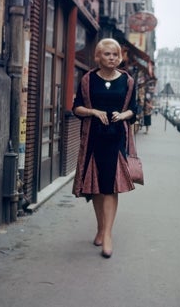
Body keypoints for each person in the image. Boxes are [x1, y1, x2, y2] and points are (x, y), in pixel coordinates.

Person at [72, 38, 137, 259]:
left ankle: (107, 235)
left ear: (119, 57)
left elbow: (134, 110)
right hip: (93, 138)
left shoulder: (127, 81)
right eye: (107, 54)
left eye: (115, 54)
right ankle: (100, 227)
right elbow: (76, 108)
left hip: (116, 139)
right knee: (96, 187)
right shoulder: (87, 79)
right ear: (98, 57)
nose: (111, 58)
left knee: (110, 187)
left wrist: (123, 114)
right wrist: (92, 112)